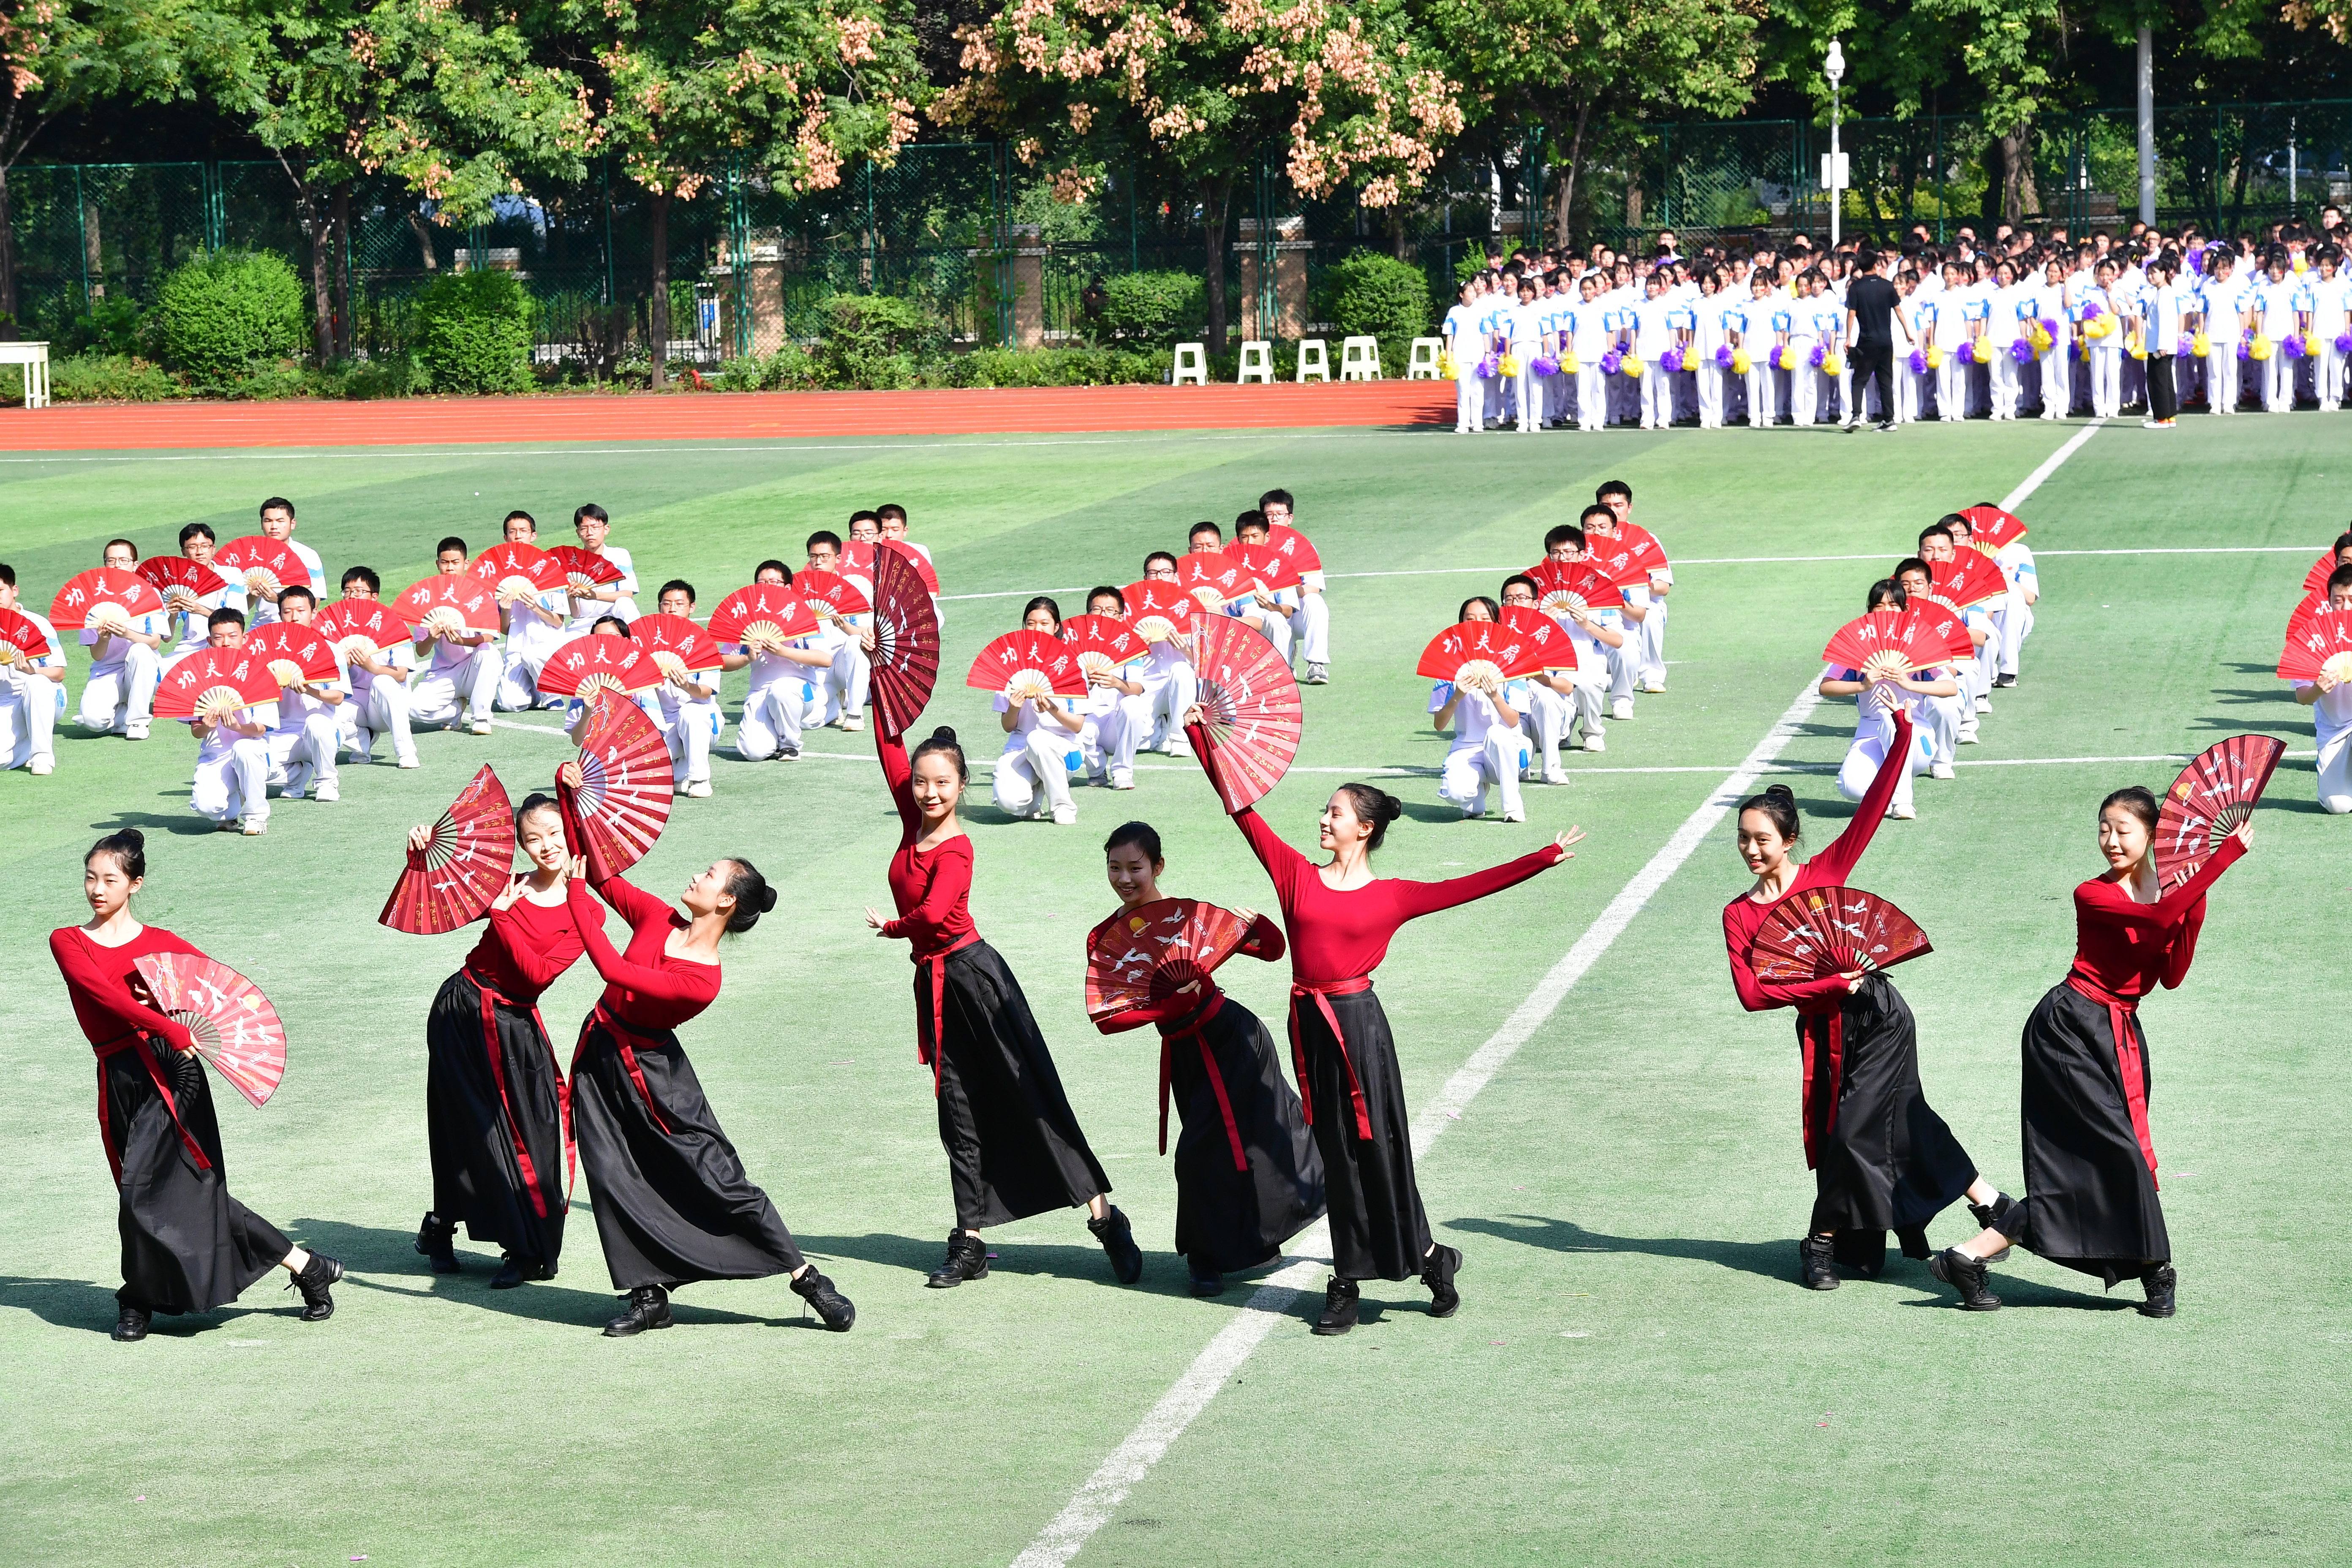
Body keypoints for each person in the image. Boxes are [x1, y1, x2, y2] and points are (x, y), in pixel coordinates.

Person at [1184, 721, 1583, 1334]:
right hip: (1312, 1027)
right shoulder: (1295, 874)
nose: (1324, 819)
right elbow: (1239, 805)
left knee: (1381, 1151)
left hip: (1361, 1031)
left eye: (1335, 812)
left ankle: (1425, 1260)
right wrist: (1198, 732)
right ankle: (1354, 1278)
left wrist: (1544, 857)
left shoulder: (1393, 896)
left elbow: (1468, 887)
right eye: (1326, 811)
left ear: (1364, 828)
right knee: (1336, 1156)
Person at [1926, 793, 2255, 1316]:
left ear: (2152, 836)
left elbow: (2169, 975)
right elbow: (2154, 918)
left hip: (2118, 1030)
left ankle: (1967, 1256)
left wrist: (2195, 901)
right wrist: (2219, 863)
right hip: (2067, 1030)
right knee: (2122, 1155)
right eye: (2104, 829)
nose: (2111, 841)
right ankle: (2156, 1271)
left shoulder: (2179, 892)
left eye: (2123, 830)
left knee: (2115, 1163)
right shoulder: (2091, 893)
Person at [552, 779, 855, 1336]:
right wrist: (569, 799)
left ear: (726, 902)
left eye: (710, 875)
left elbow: (616, 973)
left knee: (720, 1178)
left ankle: (807, 1277)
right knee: (613, 1176)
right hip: (600, 1058)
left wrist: (574, 899)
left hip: (657, 1078)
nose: (697, 875)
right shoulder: (655, 918)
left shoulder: (701, 980)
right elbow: (599, 872)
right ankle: (650, 1297)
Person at [1722, 715, 2008, 1287]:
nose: (1752, 850)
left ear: (1789, 841)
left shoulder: (1825, 872)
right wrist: (1827, 986)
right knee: (1871, 1128)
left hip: (1878, 1019)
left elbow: (1873, 810)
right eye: (1744, 839)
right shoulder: (1739, 913)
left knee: (1852, 1129)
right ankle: (1994, 1205)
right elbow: (1755, 996)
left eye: (1763, 840)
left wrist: (1902, 734)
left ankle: (1820, 1243)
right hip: (1824, 1025)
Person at [863, 723, 1142, 1290]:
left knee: (1031, 1099)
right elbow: (888, 744)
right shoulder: (911, 817)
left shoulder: (958, 850)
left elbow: (935, 916)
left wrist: (893, 928)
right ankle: (969, 1240)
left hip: (978, 983)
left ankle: (1107, 1219)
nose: (929, 792)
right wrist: (878, 675)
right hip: (938, 987)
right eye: (920, 782)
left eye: (942, 783)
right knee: (958, 1114)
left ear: (963, 786)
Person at [49, 830, 345, 1340]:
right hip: (119, 1073)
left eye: (110, 879)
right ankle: (306, 1263)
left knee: (153, 1190)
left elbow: (215, 990)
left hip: (171, 1076)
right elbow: (101, 995)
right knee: (162, 1191)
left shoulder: (163, 945)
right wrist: (165, 1020)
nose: (97, 888)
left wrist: (174, 1016)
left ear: (135, 884)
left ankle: (136, 1302)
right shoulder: (68, 940)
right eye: (91, 878)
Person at [1088, 821, 1325, 1296]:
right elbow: (1107, 1018)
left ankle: (1215, 1256)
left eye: (1135, 867)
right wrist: (1166, 1009)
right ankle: (1212, 1252)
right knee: (1201, 1154)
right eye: (1115, 867)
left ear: (1158, 866)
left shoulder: (1186, 919)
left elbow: (1271, 952)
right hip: (1186, 1056)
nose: (1125, 877)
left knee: (1268, 1135)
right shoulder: (1103, 938)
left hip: (1237, 1039)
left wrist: (1261, 928)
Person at [411, 791, 583, 1288]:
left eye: (554, 834)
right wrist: (422, 854)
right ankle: (444, 1228)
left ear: (570, 833)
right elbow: (439, 901)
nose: (546, 846)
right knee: (457, 1129)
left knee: (523, 1136)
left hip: (513, 1023)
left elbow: (535, 976)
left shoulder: (582, 909)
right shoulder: (509, 885)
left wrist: (504, 916)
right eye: (533, 839)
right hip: (459, 1008)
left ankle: (524, 1244)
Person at [1817, 582, 1955, 822]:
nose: (1886, 610)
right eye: (1879, 606)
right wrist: (1862, 686)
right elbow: (1826, 687)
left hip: (1916, 733)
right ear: (1870, 611)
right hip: (1869, 731)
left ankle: (1902, 801)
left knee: (1894, 723)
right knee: (1852, 787)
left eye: (1893, 604)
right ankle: (1891, 790)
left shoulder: (1919, 644)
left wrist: (1909, 684)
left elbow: (1950, 687)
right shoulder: (1859, 648)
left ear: (1904, 610)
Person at [1429, 596, 1533, 823]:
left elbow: (1514, 721)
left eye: (1485, 619)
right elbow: (1439, 724)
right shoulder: (1448, 666)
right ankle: (1477, 795)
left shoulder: (1510, 661)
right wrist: (1458, 694)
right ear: (1460, 624)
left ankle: (1513, 807)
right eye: (1470, 619)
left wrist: (1495, 695)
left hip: (1508, 744)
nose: (1477, 624)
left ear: (1496, 624)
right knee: (1455, 794)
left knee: (1497, 733)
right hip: (1467, 748)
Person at [724, 561, 838, 763]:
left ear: (787, 588)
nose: (767, 586)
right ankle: (775, 734)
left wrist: (784, 651)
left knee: (781, 690)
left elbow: (825, 659)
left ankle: (790, 745)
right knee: (754, 752)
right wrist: (747, 658)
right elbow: (722, 662)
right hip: (760, 693)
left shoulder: (803, 617)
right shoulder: (745, 619)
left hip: (801, 690)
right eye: (762, 582)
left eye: (774, 582)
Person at [993, 597, 1086, 825]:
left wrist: (1052, 709)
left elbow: (1077, 725)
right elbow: (1008, 727)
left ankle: (1063, 806)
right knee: (1009, 802)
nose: (1037, 629)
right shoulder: (1010, 663)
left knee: (1038, 739)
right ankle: (1035, 797)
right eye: (1031, 623)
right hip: (1019, 748)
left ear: (1056, 628)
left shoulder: (1071, 664)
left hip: (1065, 750)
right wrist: (1014, 707)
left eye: (1045, 624)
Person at [186, 608, 272, 835]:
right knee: (207, 807)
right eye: (219, 637)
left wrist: (237, 727)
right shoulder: (197, 675)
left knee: (244, 748)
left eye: (233, 636)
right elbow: (197, 731)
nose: (226, 643)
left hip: (253, 749)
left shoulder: (259, 671)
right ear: (209, 640)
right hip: (216, 754)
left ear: (244, 638)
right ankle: (232, 808)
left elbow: (261, 728)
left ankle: (256, 816)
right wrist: (207, 725)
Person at [262, 585, 345, 804]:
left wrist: (310, 690)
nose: (294, 618)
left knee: (316, 722)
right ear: (280, 615)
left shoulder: (330, 649)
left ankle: (327, 782)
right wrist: (273, 688)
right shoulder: (265, 651)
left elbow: (338, 697)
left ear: (313, 613)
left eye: (301, 611)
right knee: (251, 764)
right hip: (281, 733)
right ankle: (298, 774)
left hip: (321, 732)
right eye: (288, 612)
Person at [409, 537, 498, 737]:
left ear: (466, 564)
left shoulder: (480, 595)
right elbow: (421, 651)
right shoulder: (427, 598)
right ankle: (456, 710)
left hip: (473, 668)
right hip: (444, 672)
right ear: (438, 564)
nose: (450, 568)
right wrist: (432, 638)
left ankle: (481, 718)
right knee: (413, 709)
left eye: (455, 562)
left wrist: (463, 642)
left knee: (490, 653)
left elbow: (489, 637)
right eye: (445, 562)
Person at [77, 539, 164, 742]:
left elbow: (155, 642)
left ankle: (138, 721)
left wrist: (127, 634)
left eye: (124, 560)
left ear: (135, 565)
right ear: (104, 564)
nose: (117, 565)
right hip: (108, 670)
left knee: (140, 650)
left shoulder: (149, 594)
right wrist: (103, 639)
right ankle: (122, 715)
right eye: (111, 560)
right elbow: (97, 655)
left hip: (145, 667)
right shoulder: (91, 600)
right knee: (93, 721)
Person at [641, 580, 720, 799]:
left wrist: (685, 685)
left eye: (679, 604)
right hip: (662, 722)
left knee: (691, 713)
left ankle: (700, 778)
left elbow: (706, 691)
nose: (672, 609)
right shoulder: (645, 642)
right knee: (646, 766)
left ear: (691, 607)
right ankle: (680, 771)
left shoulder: (703, 643)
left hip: (703, 718)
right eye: (667, 604)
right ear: (659, 607)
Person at [335, 566, 418, 768]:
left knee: (383, 682)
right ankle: (364, 739)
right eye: (347, 591)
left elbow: (400, 674)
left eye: (358, 591)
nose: (352, 596)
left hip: (385, 705)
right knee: (324, 714)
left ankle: (407, 752)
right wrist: (341, 664)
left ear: (374, 597)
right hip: (353, 700)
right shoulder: (333, 627)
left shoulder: (394, 625)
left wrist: (370, 666)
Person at [490, 511, 574, 712]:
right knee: (509, 704)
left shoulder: (549, 569)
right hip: (516, 649)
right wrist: (505, 609)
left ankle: (552, 694)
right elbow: (504, 630)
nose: (518, 536)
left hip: (547, 649)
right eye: (513, 532)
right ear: (506, 538)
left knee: (531, 655)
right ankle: (535, 691)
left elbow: (558, 621)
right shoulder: (498, 575)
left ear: (533, 536)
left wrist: (535, 607)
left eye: (523, 531)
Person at [1249, 491, 1330, 686]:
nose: (1275, 518)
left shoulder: (1301, 546)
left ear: (1290, 518)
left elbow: (1315, 587)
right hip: (1265, 614)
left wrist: (1287, 589)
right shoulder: (1251, 545)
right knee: (1273, 617)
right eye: (1269, 514)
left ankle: (1316, 664)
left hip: (1297, 614)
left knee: (1315, 602)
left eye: (1280, 514)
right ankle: (1283, 665)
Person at [1076, 586, 1148, 790]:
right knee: (1071, 722)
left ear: (1121, 617)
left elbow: (1137, 688)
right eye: (1096, 609)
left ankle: (1123, 772)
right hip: (1086, 718)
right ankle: (1097, 770)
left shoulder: (1129, 647)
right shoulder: (1074, 643)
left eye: (1110, 611)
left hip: (1115, 724)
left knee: (1133, 705)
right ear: (1088, 613)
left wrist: (1116, 683)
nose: (1102, 615)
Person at [2294, 564, 2352, 813]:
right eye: (2338, 599)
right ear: (2328, 601)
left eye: (2351, 599)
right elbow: (2303, 697)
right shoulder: (2314, 638)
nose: (2345, 606)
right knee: (2336, 805)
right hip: (2334, 729)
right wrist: (2318, 689)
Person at [0, 561, 65, 776]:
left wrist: (32, 671)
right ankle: (26, 748)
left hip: (44, 696)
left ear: (14, 591)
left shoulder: (37, 623)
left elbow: (59, 673)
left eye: (0, 591)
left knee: (36, 683)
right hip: (6, 702)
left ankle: (42, 757)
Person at [1136, 551, 1198, 756]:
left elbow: (1208, 663)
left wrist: (1185, 651)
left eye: (1165, 572)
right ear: (1145, 578)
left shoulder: (1190, 608)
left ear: (1176, 577)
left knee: (1181, 669)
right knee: (1137, 742)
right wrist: (1137, 647)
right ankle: (1162, 728)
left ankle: (1181, 737)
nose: (1159, 577)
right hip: (1147, 686)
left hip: (1181, 685)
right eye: (1153, 573)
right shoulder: (1132, 610)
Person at [1842, 248, 1908, 432]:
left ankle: (1856, 415)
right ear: (1875, 265)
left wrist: (1848, 338)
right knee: (1886, 381)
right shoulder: (1887, 286)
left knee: (1859, 380)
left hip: (1866, 340)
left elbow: (1851, 314)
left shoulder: (1856, 288)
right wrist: (1908, 332)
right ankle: (1889, 420)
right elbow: (1899, 310)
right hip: (1886, 341)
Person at [165, 524, 245, 659]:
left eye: (205, 546)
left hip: (221, 643)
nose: (200, 552)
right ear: (183, 551)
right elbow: (167, 638)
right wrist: (173, 615)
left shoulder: (231, 575)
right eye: (192, 547)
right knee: (163, 672)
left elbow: (236, 620)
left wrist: (199, 609)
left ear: (213, 549)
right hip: (189, 647)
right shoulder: (176, 583)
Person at [562, 503, 638, 632]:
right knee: (566, 646)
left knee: (626, 603)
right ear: (578, 533)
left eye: (595, 527)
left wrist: (594, 596)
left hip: (614, 618)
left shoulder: (620, 555)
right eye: (584, 528)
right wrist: (571, 598)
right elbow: (575, 614)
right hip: (583, 623)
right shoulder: (571, 564)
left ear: (606, 529)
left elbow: (628, 594)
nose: (590, 533)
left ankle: (640, 642)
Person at [256, 497, 329, 597]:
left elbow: (315, 601)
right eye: (268, 521)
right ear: (262, 524)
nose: (274, 527)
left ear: (293, 524)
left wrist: (278, 600)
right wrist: (253, 594)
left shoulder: (308, 556)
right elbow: (240, 606)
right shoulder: (254, 555)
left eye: (280, 521)